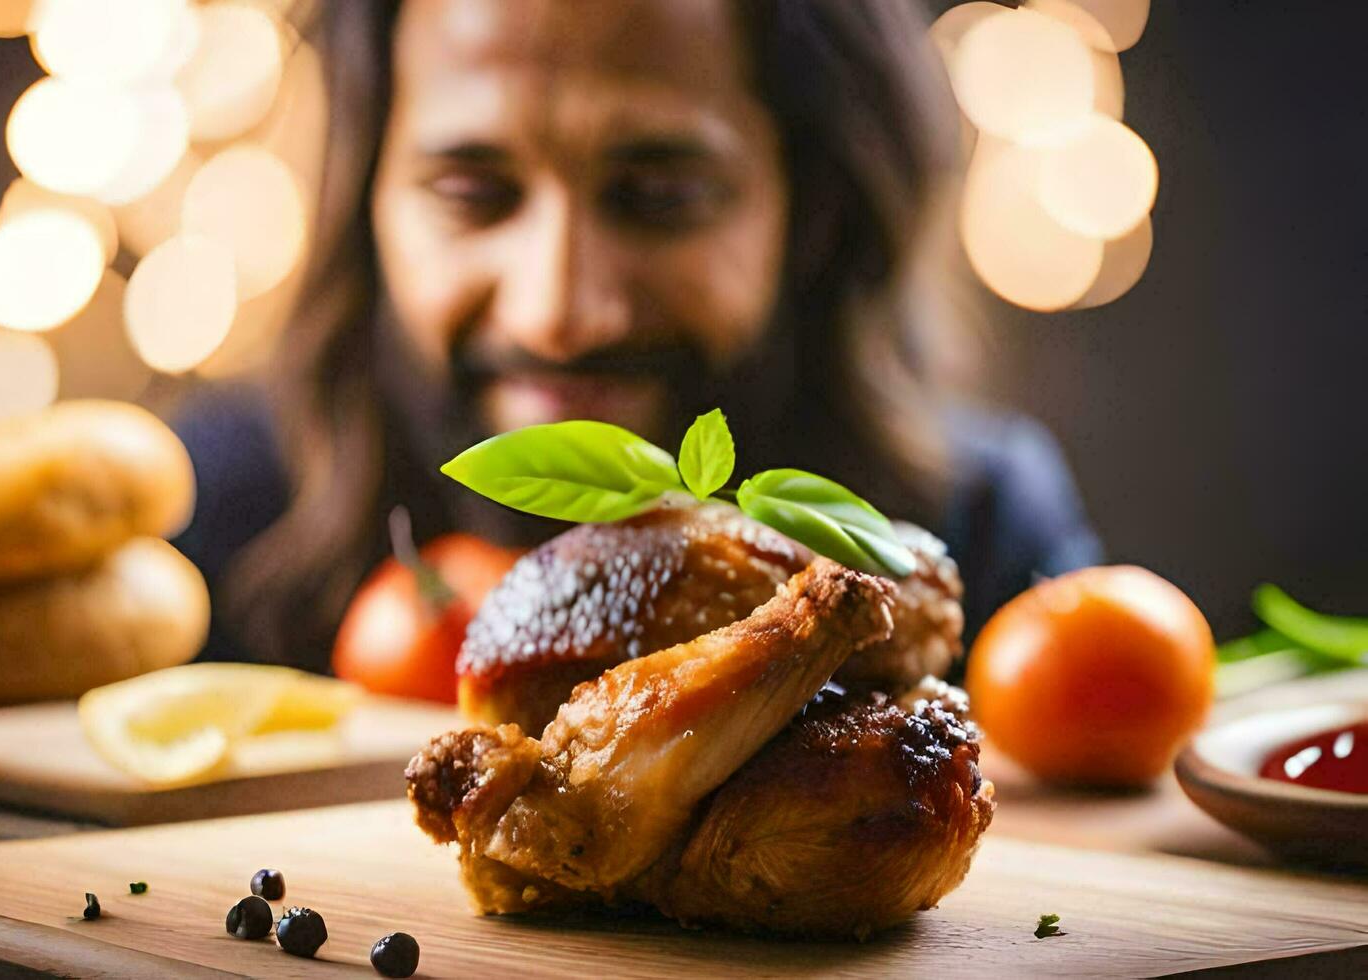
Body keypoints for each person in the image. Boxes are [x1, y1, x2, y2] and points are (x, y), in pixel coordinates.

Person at [173, 0, 1101, 670]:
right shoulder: (198, 525)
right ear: (366, 194)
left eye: (661, 199)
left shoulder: (979, 529)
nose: (558, 314)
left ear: (814, 210)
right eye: (472, 195)